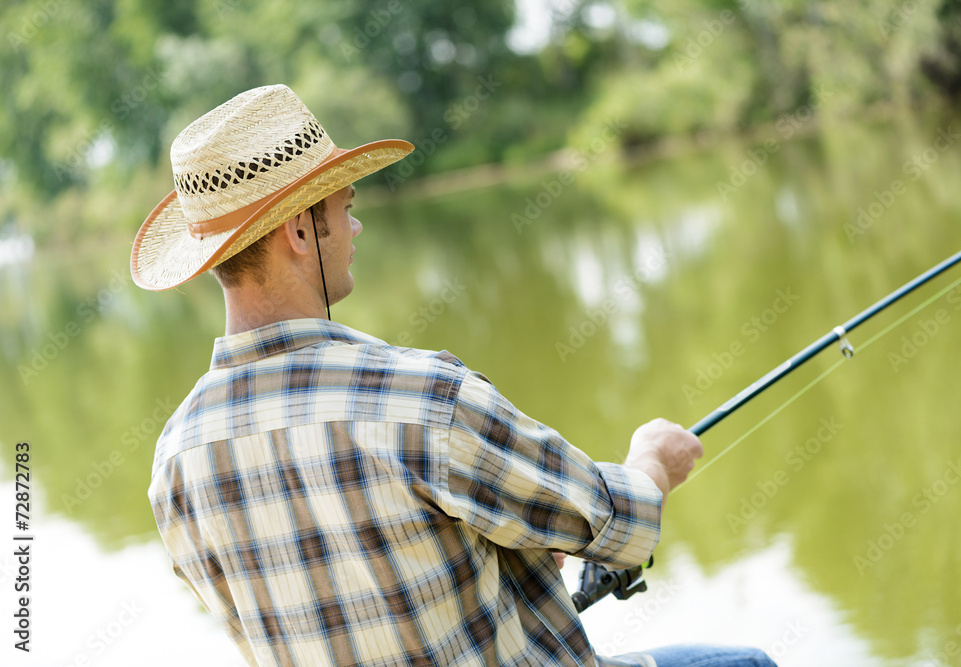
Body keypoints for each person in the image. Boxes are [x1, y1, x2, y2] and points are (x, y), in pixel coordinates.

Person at [133, 84, 776, 667]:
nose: (354, 227)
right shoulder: (423, 400)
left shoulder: (175, 463)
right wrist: (653, 462)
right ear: (301, 229)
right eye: (344, 207)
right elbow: (618, 525)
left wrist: (505, 549)